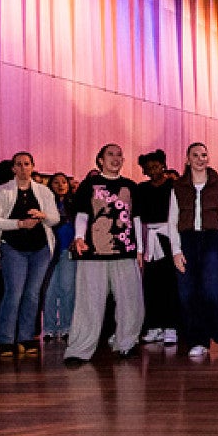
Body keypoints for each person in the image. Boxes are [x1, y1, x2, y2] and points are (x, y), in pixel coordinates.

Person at [64, 144, 145, 365]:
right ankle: (79, 349)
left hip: (125, 252)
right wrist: (79, 238)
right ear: (100, 159)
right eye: (110, 154)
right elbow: (81, 213)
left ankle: (127, 344)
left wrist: (139, 250)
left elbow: (136, 219)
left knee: (130, 301)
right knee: (89, 302)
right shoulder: (89, 185)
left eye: (120, 154)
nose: (116, 158)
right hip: (94, 252)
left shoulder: (130, 186)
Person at [168, 143, 218, 358]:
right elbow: (172, 220)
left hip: (212, 239)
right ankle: (196, 340)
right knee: (187, 292)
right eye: (195, 155)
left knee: (213, 290)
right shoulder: (178, 186)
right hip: (187, 239)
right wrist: (176, 251)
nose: (200, 159)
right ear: (188, 159)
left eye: (204, 155)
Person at [0, 152, 59, 357]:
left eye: (26, 164)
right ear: (13, 168)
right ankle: (5, 339)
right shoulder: (3, 191)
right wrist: (19, 224)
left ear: (33, 166)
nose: (23, 168)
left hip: (40, 249)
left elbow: (54, 218)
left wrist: (42, 215)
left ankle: (26, 337)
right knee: (14, 292)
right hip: (13, 247)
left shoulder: (43, 191)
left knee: (32, 293)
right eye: (18, 164)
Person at [136, 149, 179, 346]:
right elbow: (137, 217)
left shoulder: (174, 186)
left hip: (169, 237)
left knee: (170, 282)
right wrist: (140, 245)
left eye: (155, 166)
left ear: (163, 165)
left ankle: (171, 326)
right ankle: (154, 326)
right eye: (148, 168)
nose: (152, 171)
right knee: (151, 283)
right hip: (149, 239)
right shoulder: (141, 189)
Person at [42, 172, 76, 341]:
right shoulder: (46, 203)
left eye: (64, 182)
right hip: (49, 252)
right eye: (56, 182)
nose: (61, 185)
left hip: (68, 251)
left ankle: (66, 326)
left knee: (67, 290)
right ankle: (48, 328)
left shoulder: (74, 203)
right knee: (49, 291)